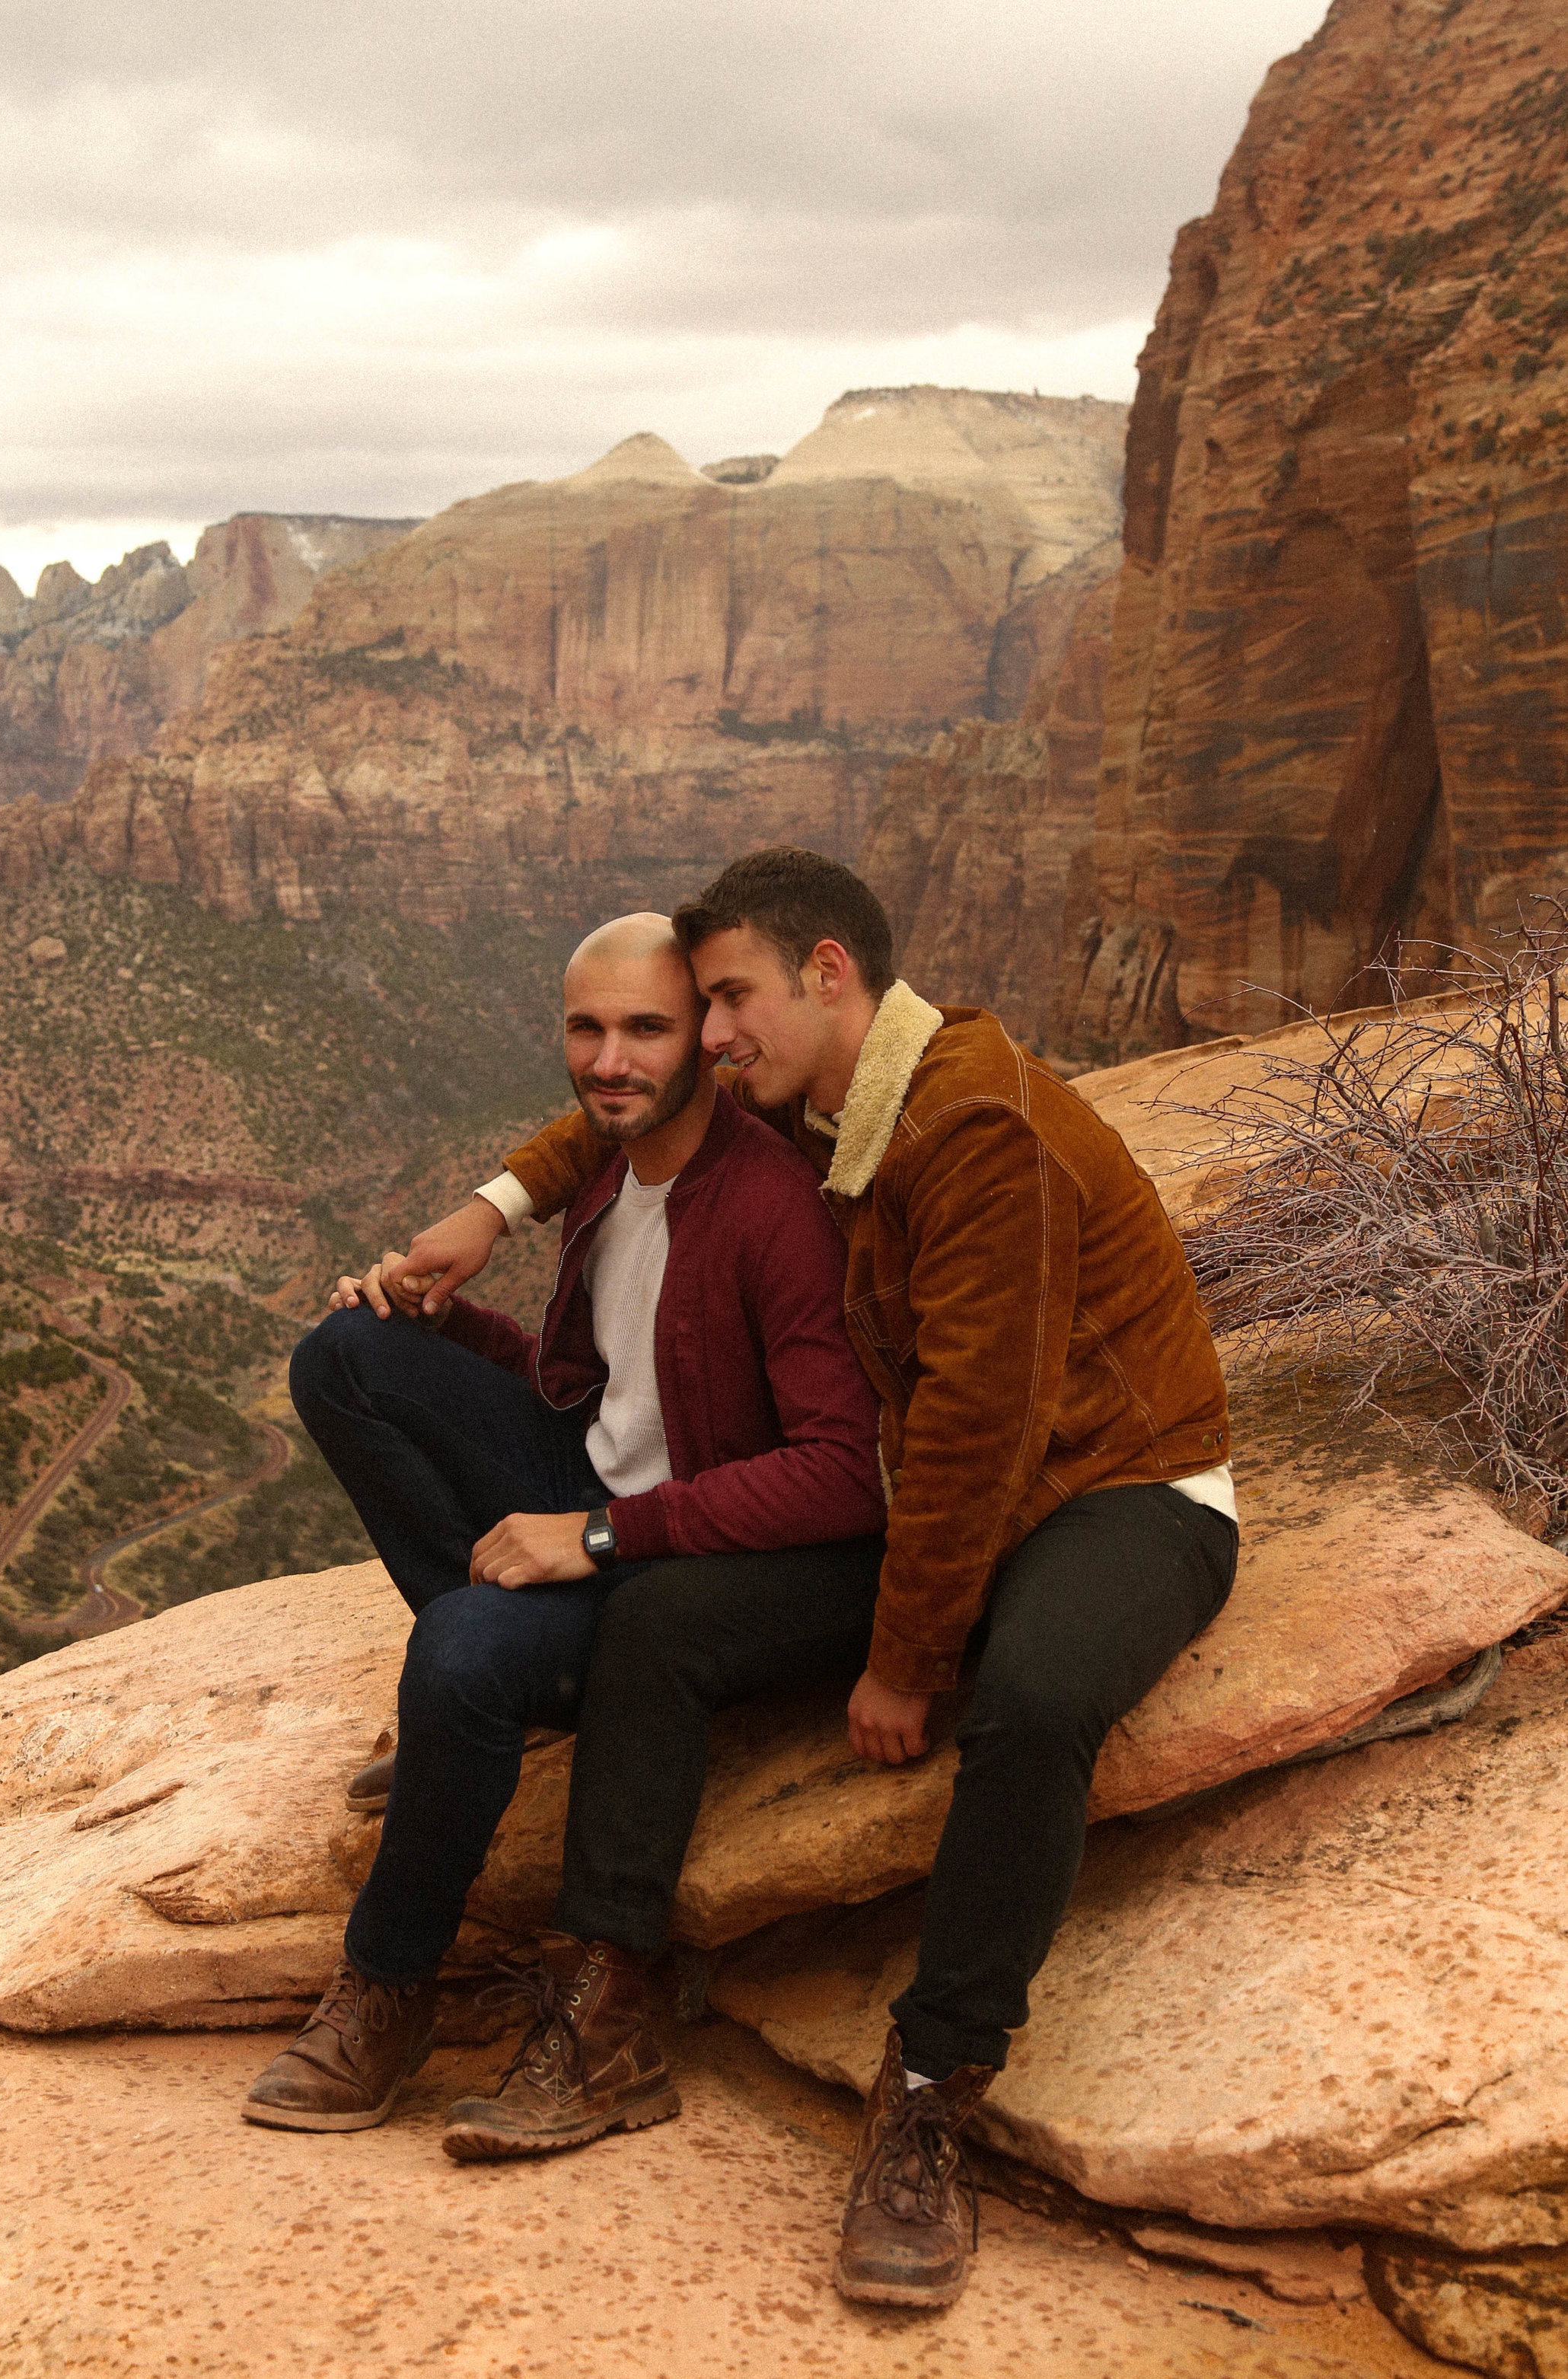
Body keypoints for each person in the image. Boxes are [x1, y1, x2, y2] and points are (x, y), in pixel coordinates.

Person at [387, 847, 1237, 2310]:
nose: (707, 1037)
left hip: (1119, 1489)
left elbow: (981, 1425)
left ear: (826, 974)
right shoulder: (855, 1090)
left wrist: (907, 1660)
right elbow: (622, 1110)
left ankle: (929, 2086)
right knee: (659, 1617)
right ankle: (610, 2010)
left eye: (726, 1003)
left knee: (1028, 1702)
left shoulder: (974, 1128)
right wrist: (499, 1201)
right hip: (943, 1506)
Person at [242, 910, 887, 2157]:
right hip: (588, 1476)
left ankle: (388, 1982)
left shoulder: (771, 1208)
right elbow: (601, 1386)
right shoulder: (610, 1161)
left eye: (646, 1027)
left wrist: (593, 1538)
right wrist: (441, 1318)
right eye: (586, 1029)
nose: (610, 1059)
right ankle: (474, 1707)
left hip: (678, 1554)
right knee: (343, 1355)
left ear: (705, 1032)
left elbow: (838, 1472)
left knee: (466, 1652)